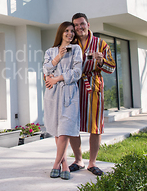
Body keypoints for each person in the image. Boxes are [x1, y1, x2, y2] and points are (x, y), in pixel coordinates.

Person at [68, 13, 116, 176]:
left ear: (88, 24)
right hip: (73, 87)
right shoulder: (70, 42)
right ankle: (78, 160)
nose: (79, 27)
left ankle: (92, 163)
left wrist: (101, 61)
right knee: (72, 125)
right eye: (75, 25)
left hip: (93, 87)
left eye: (81, 24)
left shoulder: (100, 44)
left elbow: (111, 68)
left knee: (95, 126)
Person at [42, 22, 82, 180]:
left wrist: (57, 78)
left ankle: (55, 164)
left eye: (72, 31)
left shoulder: (76, 50)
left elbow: (77, 72)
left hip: (69, 93)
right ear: (61, 33)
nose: (70, 34)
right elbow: (45, 69)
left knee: (65, 129)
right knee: (58, 131)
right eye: (66, 31)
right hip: (53, 94)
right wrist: (58, 57)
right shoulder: (50, 51)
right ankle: (65, 164)